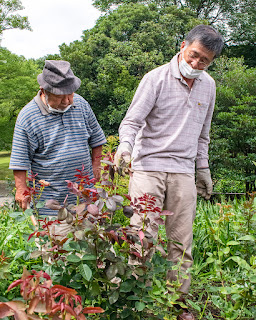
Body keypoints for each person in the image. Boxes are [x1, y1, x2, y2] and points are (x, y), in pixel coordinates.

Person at [114, 25, 224, 320]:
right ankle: (135, 299)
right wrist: (124, 148)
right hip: (148, 167)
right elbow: (132, 122)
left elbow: (204, 135)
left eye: (205, 61)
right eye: (194, 56)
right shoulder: (156, 79)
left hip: (183, 171)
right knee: (142, 238)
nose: (196, 64)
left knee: (181, 242)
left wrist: (203, 169)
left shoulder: (208, 86)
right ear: (183, 46)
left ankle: (177, 302)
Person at [9, 60, 106, 216]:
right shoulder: (28, 117)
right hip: (51, 207)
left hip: (86, 200)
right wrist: (21, 189)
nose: (68, 101)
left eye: (71, 94)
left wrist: (97, 165)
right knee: (58, 240)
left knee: (89, 238)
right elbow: (20, 160)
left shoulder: (81, 104)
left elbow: (97, 139)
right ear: (44, 90)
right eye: (61, 96)